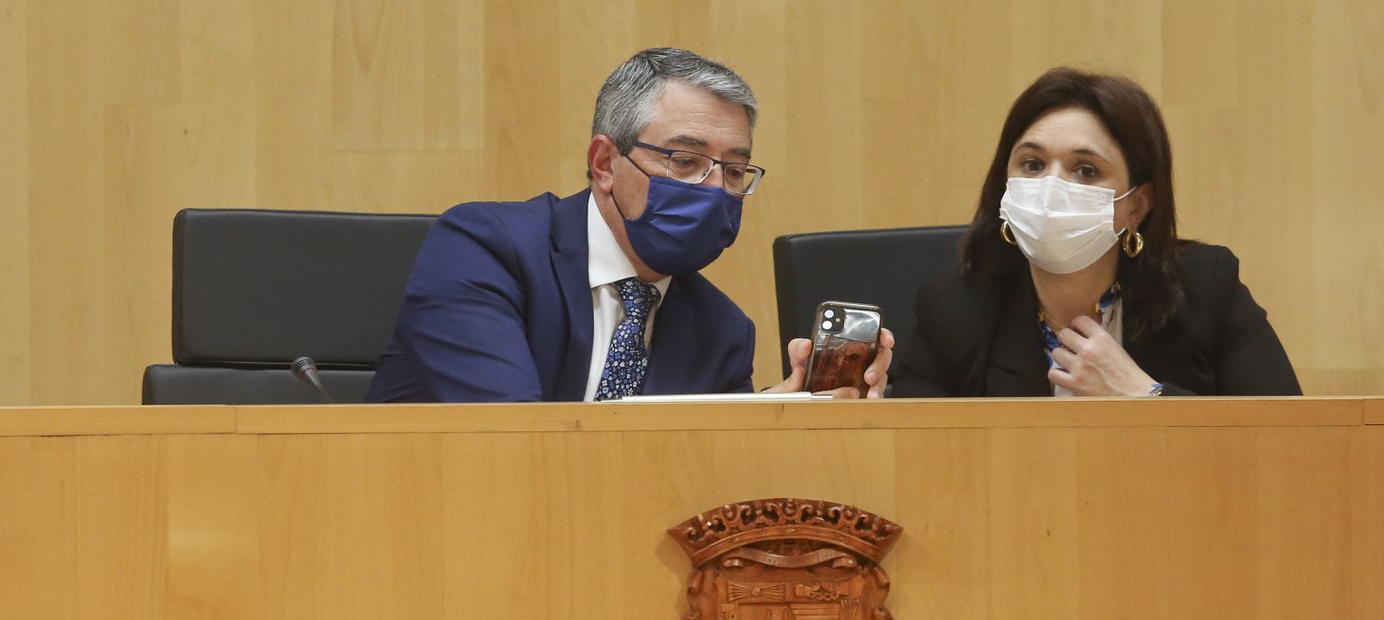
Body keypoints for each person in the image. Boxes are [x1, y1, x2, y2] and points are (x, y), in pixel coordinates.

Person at [367, 47, 892, 402]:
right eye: (684, 161)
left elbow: (696, 491)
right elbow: (512, 440)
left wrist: (779, 420)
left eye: (733, 171)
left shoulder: (722, 330)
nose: (714, 192)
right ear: (604, 164)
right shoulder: (486, 250)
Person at [891, 67, 1299, 398]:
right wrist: (858, 415)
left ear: (1136, 206)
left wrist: (1145, 398)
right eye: (1032, 164)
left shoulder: (1208, 289)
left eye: (1085, 170)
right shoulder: (954, 310)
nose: (1051, 188)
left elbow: (1289, 443)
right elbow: (915, 462)